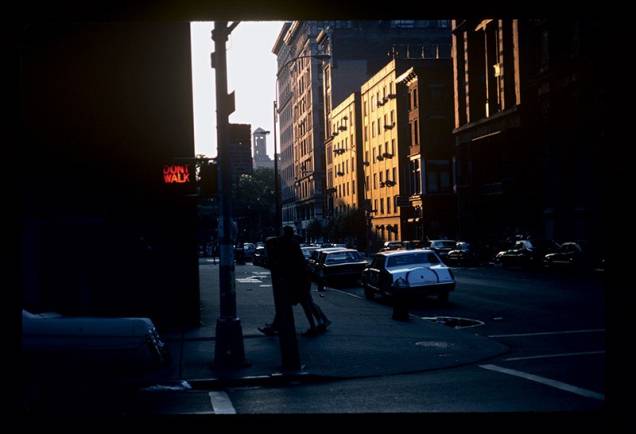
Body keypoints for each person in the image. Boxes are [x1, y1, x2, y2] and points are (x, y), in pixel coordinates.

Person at [258, 226, 331, 337]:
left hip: (296, 280)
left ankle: (315, 325)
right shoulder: (293, 244)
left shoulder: (287, 245)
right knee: (305, 303)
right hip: (300, 279)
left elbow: (284, 260)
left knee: (292, 304)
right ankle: (320, 322)